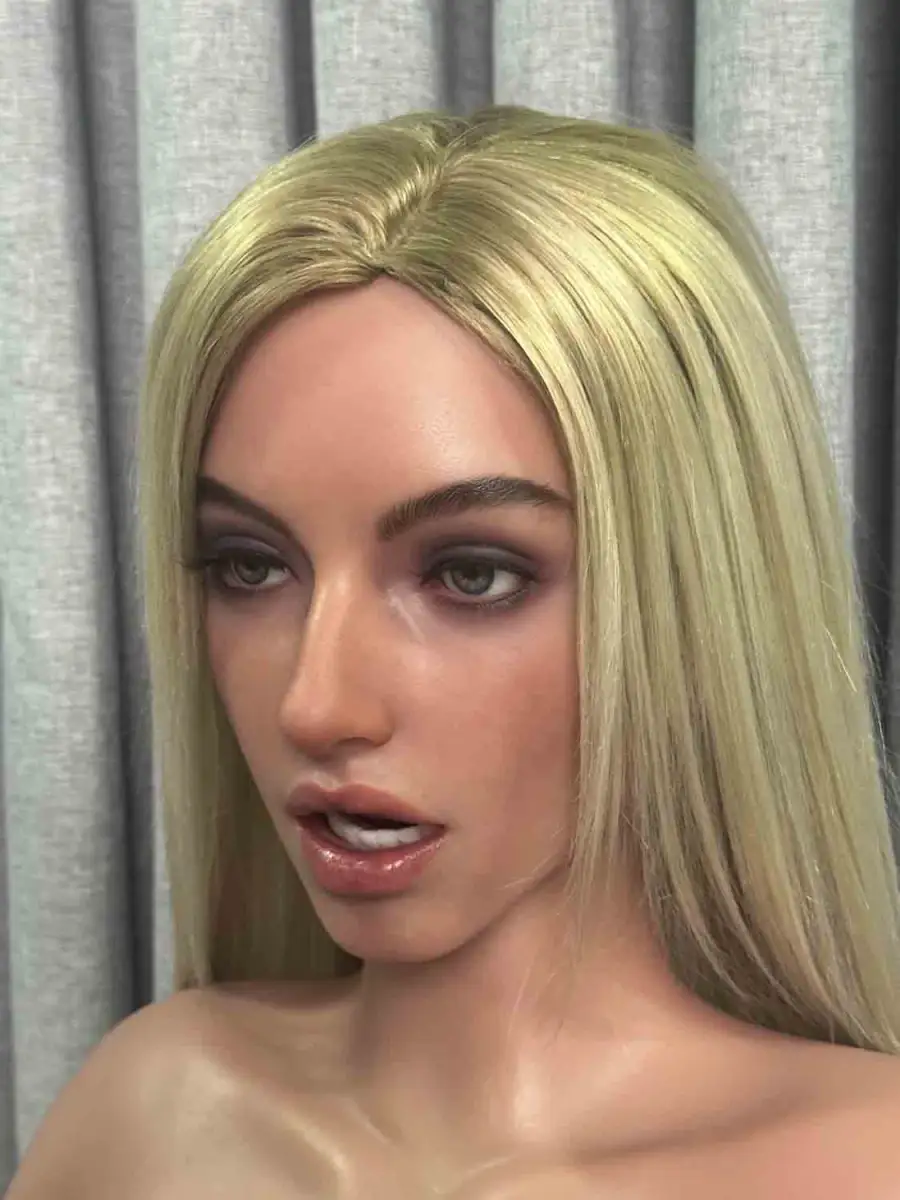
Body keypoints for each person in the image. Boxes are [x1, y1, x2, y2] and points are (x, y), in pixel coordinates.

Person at [9, 105, 900, 1198]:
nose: (316, 704)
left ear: (691, 591)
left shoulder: (864, 1163)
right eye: (250, 565)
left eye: (471, 575)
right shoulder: (155, 1110)